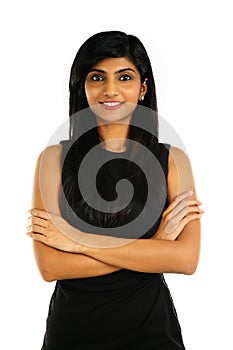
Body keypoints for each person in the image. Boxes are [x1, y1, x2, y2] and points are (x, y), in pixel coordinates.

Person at [27, 31, 203, 350]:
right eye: (97, 77)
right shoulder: (52, 160)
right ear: (83, 85)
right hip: (73, 333)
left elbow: (186, 259)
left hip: (152, 334)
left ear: (143, 87)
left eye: (124, 77)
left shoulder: (173, 161)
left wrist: (78, 241)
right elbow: (51, 267)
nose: (111, 90)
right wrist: (153, 246)